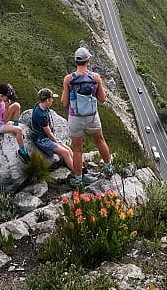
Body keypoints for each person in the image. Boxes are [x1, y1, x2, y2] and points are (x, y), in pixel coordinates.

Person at [61, 46, 114, 188]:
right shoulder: (95, 78)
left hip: (75, 118)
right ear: (88, 60)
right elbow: (102, 99)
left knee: (77, 149)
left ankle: (78, 180)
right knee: (100, 141)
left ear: (75, 61)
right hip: (92, 117)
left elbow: (64, 102)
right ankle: (108, 169)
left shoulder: (68, 79)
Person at [31, 88, 76, 173]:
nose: (52, 100)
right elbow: (48, 133)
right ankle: (77, 173)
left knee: (69, 149)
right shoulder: (41, 116)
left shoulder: (40, 105)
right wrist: (57, 142)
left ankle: (79, 167)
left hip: (46, 136)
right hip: (43, 139)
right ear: (47, 100)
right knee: (65, 152)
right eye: (51, 99)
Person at [0, 83, 28, 161]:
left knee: (16, 105)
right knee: (19, 130)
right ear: (2, 95)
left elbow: (3, 115)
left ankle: (15, 126)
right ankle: (23, 152)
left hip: (2, 120)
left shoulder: (2, 100)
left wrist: (6, 106)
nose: (9, 99)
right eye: (8, 97)